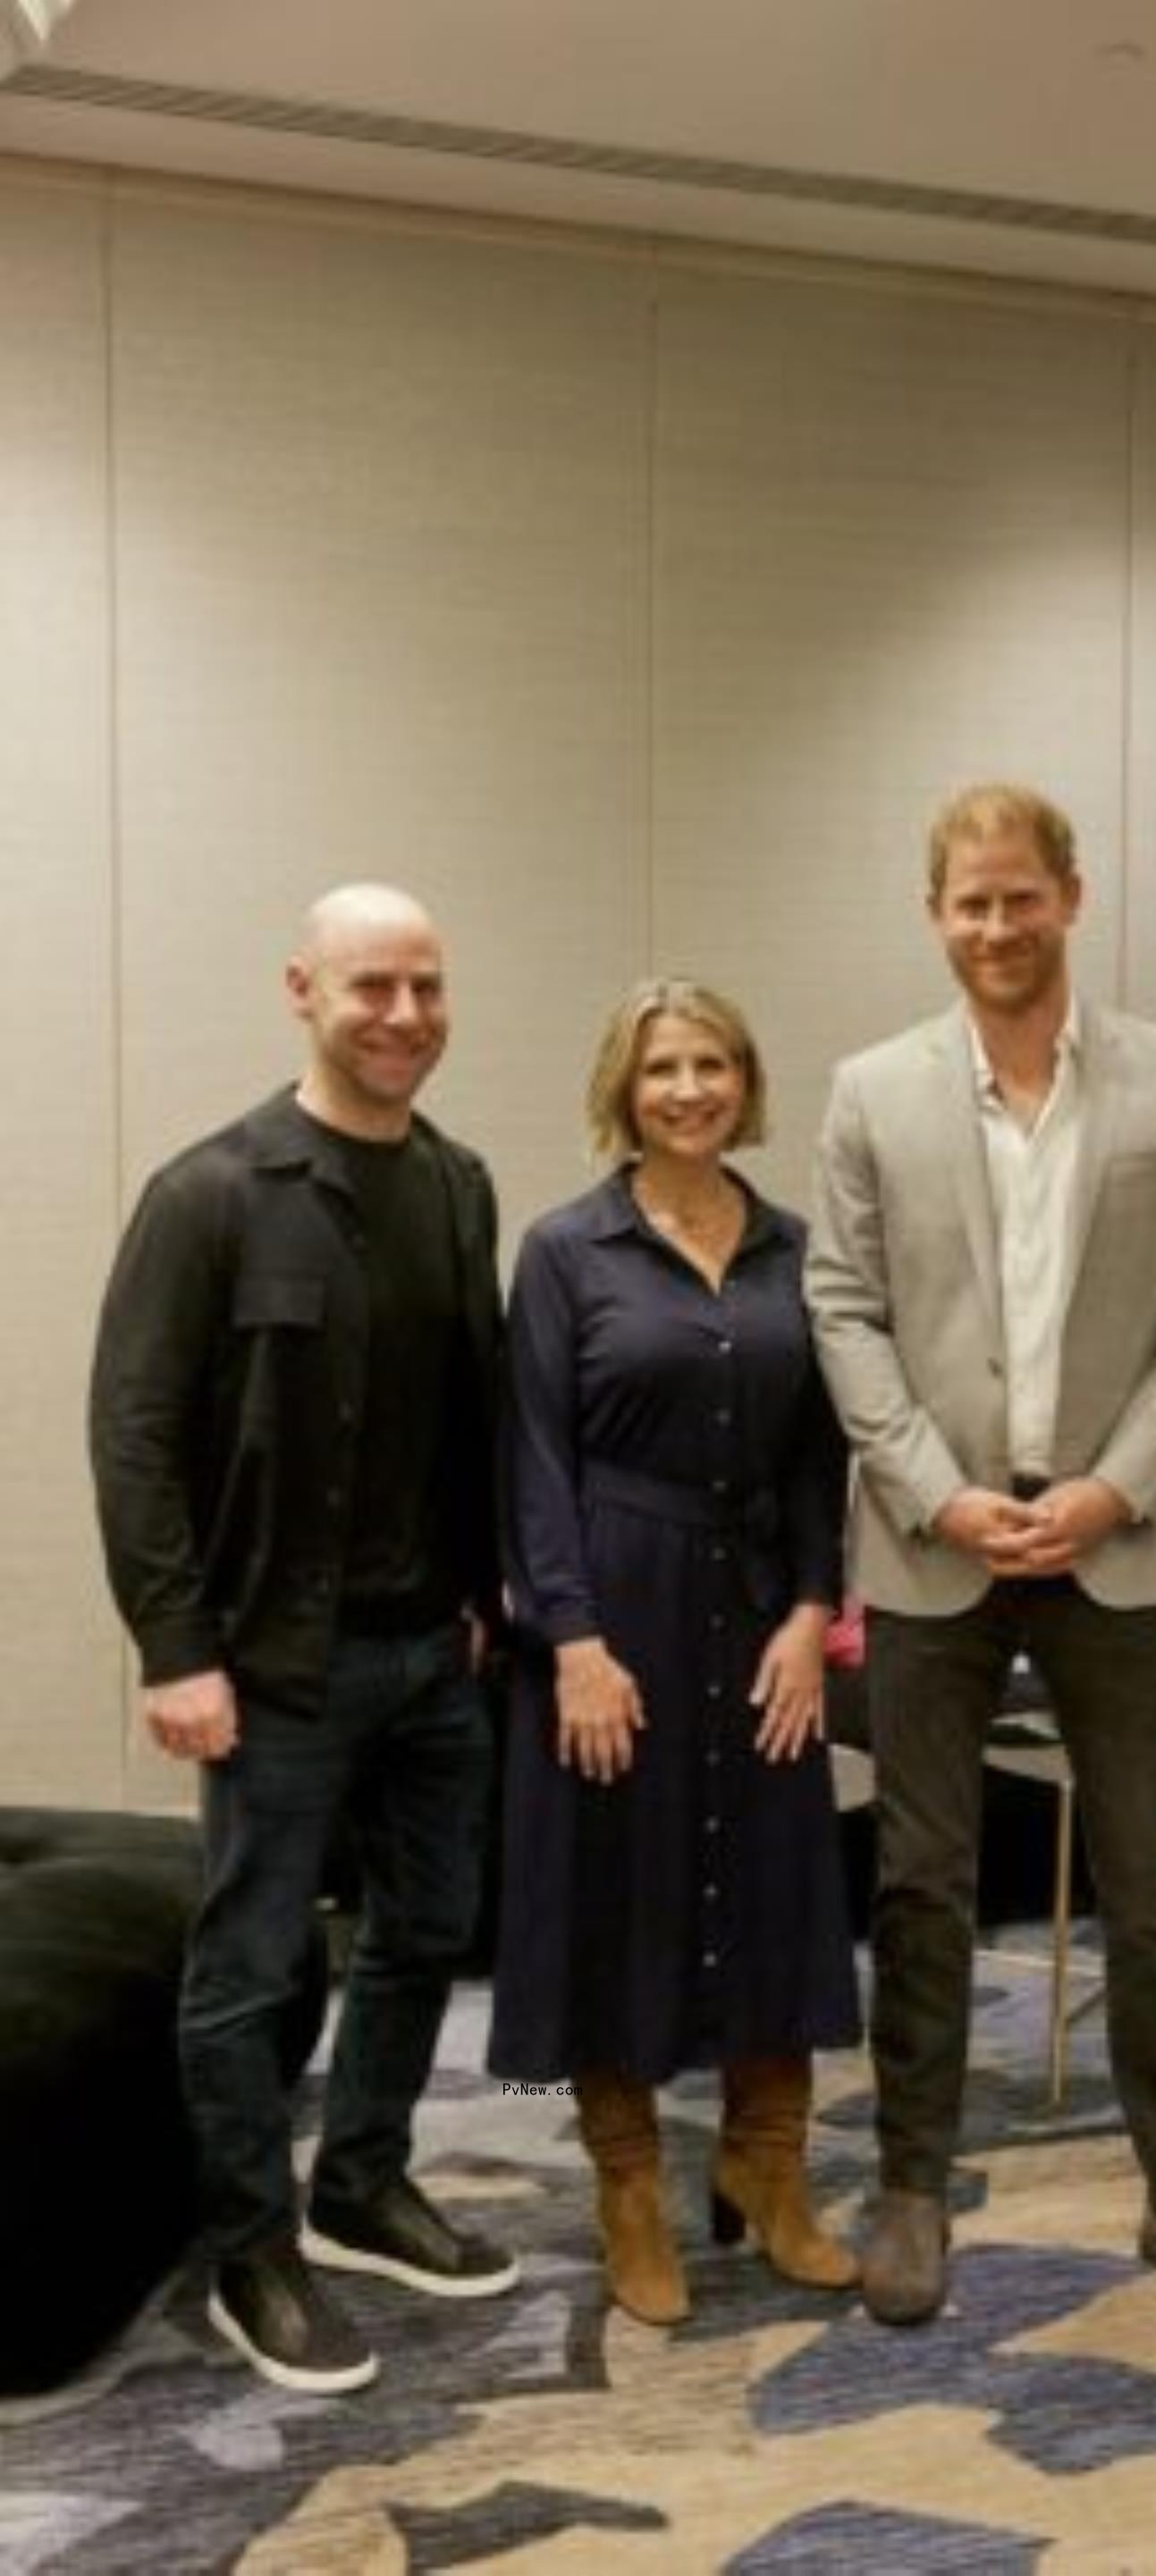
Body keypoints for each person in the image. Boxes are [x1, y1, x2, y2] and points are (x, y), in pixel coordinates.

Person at [806, 783, 1156, 2339]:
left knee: (1154, 1888)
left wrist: (1116, 1488)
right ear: (936, 915)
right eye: (968, 903)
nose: (996, 926)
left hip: (1119, 1549)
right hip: (936, 1546)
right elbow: (845, 1309)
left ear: (1071, 895)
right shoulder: (873, 1091)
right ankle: (916, 2186)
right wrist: (937, 1493)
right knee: (924, 1883)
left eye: (1020, 896)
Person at [89, 885, 518, 2398]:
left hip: (437, 1652)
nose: (404, 1015)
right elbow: (135, 1433)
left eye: (427, 985)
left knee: (424, 1929)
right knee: (254, 1960)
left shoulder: (460, 1185)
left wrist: (490, 1592)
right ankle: (249, 2249)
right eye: (371, 988)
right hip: (271, 1662)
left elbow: (473, 1413)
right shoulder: (213, 1191)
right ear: (303, 991)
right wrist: (173, 1646)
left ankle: (362, 2182)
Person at [490, 979, 861, 2326]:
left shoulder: (792, 1248)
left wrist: (817, 1612)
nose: (691, 1087)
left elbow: (823, 1454)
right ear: (625, 1089)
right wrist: (571, 1638)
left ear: (745, 1081)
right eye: (664, 1069)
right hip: (614, 1613)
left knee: (775, 1885)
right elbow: (531, 1463)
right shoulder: (565, 1250)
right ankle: (631, 2187)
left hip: (763, 1616)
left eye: (713, 1064)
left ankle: (769, 2171)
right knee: (613, 1896)